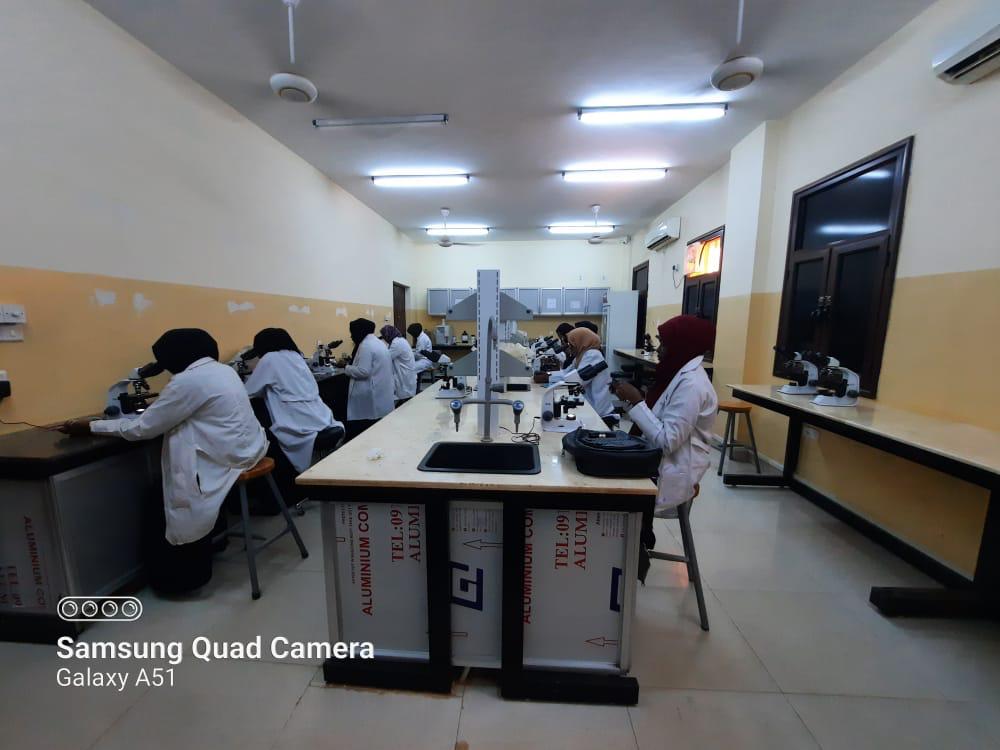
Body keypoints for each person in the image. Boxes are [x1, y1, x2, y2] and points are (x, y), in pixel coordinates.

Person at [60, 329, 267, 593]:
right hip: (247, 450)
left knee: (163, 498)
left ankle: (179, 579)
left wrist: (91, 426)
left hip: (224, 460)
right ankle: (213, 541)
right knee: (178, 493)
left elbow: (142, 429)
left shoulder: (187, 381)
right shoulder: (223, 371)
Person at [611, 315, 717, 512]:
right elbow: (659, 415)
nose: (658, 351)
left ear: (682, 346)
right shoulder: (678, 375)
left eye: (664, 345)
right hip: (657, 460)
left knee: (597, 489)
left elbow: (667, 442)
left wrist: (637, 402)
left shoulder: (692, 385)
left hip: (670, 473)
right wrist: (633, 401)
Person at [243, 327, 343, 475]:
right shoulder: (296, 356)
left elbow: (249, 391)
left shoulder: (269, 358)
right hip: (320, 416)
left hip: (297, 422)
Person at [342, 318, 394, 439]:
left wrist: (346, 368)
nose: (351, 336)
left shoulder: (366, 345)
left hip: (370, 396)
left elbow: (363, 371)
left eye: (352, 333)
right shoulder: (378, 342)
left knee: (366, 430)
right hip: (380, 393)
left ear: (359, 331)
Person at [559, 327, 616, 426]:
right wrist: (549, 376)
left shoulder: (592, 355)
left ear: (581, 342)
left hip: (599, 411)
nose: (569, 347)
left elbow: (577, 380)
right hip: (588, 406)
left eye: (571, 344)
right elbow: (566, 373)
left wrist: (551, 379)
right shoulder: (580, 356)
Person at [381, 324, 417, 405]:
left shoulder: (397, 343)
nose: (385, 339)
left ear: (388, 335)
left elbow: (387, 357)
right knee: (403, 396)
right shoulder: (400, 340)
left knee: (403, 396)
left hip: (404, 374)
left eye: (384, 337)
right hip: (406, 372)